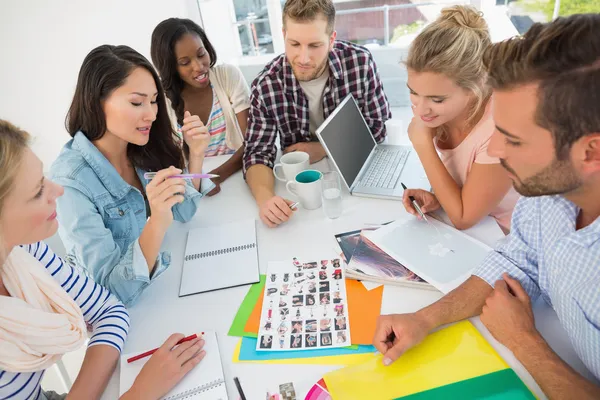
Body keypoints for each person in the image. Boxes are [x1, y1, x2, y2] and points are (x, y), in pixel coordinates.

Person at [373, 14, 600, 399]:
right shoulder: (547, 198)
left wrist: (525, 341)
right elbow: (514, 261)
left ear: (590, 151)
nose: (493, 151)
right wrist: (424, 319)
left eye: (512, 140)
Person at [0, 120, 205, 400]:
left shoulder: (24, 252)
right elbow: (116, 297)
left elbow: (110, 310)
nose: (57, 191)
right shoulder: (73, 177)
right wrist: (140, 392)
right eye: (38, 191)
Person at [50, 45, 211, 306]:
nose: (152, 114)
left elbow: (184, 212)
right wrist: (157, 219)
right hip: (120, 318)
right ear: (97, 102)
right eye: (137, 102)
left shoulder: (139, 147)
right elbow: (111, 293)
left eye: (154, 100)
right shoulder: (70, 182)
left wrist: (196, 154)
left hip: (161, 293)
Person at [244, 0, 391, 228]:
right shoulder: (266, 85)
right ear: (283, 35)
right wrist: (266, 199)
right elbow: (257, 153)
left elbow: (378, 128)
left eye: (314, 45)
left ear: (331, 40)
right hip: (300, 188)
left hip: (355, 173)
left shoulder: (360, 63)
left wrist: (322, 148)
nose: (303, 58)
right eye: (294, 44)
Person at [401, 5, 519, 233]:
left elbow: (464, 219)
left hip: (508, 236)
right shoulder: (443, 112)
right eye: (414, 92)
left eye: (437, 99)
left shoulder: (499, 128)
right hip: (480, 221)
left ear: (474, 89)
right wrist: (440, 199)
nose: (421, 110)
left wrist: (423, 144)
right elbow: (467, 186)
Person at [151, 18, 251, 196]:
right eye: (184, 62)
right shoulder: (160, 101)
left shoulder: (227, 76)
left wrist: (216, 177)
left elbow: (252, 142)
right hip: (194, 189)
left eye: (201, 54)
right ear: (170, 67)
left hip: (238, 177)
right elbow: (169, 165)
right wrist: (199, 181)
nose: (199, 66)